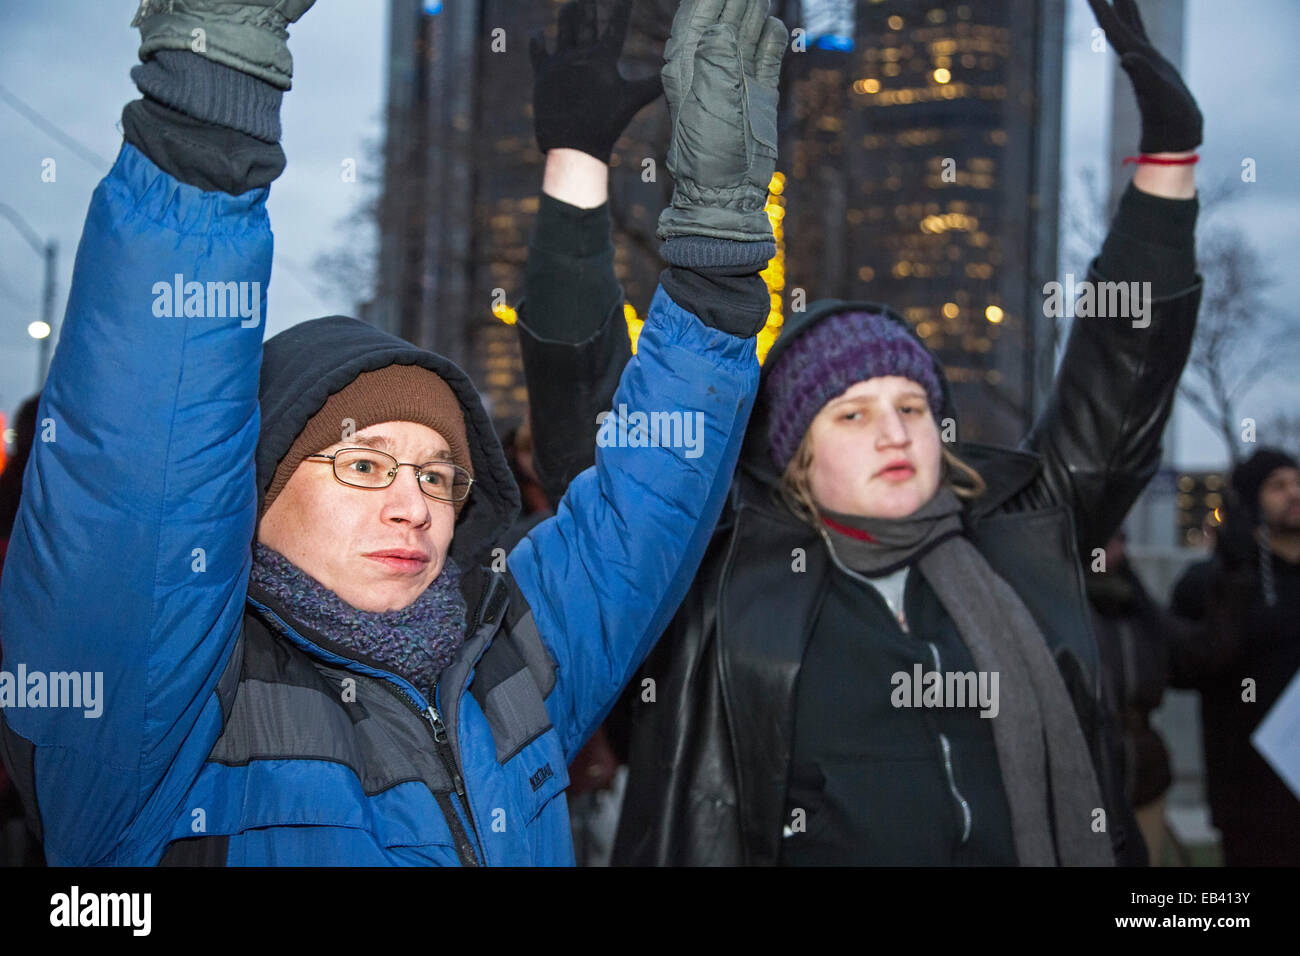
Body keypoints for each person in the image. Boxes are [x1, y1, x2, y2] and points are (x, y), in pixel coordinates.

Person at [0, 0, 785, 866]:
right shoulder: (167, 713)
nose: (415, 507)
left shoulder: (508, 670)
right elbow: (138, 458)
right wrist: (207, 100)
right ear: (253, 494)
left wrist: (717, 240)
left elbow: (642, 516)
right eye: (366, 463)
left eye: (441, 475)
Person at [517, 0, 1203, 865]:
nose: (894, 432)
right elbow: (595, 434)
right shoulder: (714, 581)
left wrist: (1168, 166)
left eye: (911, 407)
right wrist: (577, 169)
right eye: (852, 412)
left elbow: (1118, 384)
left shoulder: (1019, 539)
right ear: (793, 452)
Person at [1169, 448, 1300, 865]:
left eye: (1298, 482)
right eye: (1277, 485)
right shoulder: (1209, 583)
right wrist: (1233, 579)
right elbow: (1183, 667)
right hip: (1250, 795)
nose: (1294, 493)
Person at [1087, 530, 1177, 864]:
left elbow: (1192, 652)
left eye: (1118, 538)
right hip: (1089, 769)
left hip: (1144, 772)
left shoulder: (1137, 605)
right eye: (1101, 538)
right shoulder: (1062, 604)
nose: (1110, 549)